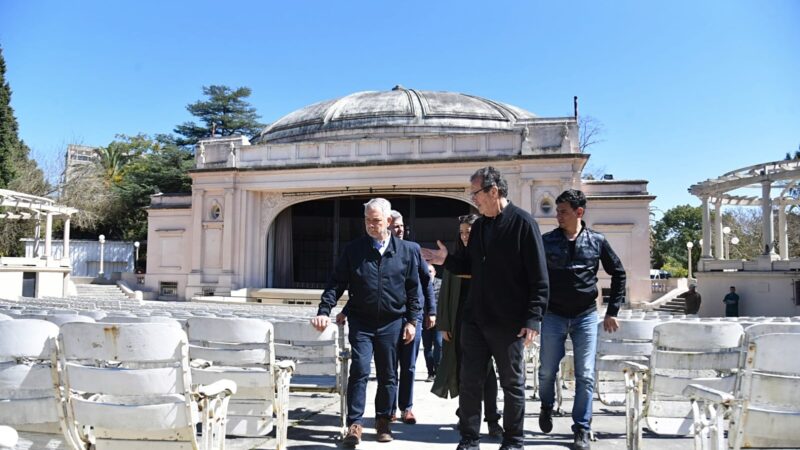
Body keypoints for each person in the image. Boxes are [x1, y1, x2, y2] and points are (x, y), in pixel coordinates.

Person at [422, 166, 549, 450]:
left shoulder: (524, 224)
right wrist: (447, 261)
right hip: (474, 320)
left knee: (512, 384)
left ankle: (513, 440)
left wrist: (533, 318)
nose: (473, 199)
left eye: (476, 193)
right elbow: (467, 267)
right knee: (470, 381)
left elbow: (539, 277)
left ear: (494, 191)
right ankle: (469, 439)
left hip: (510, 323)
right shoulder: (478, 227)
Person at [311, 198, 420, 447]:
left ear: (389, 222)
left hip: (392, 322)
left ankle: (382, 420)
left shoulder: (406, 252)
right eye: (367, 220)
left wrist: (412, 321)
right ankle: (355, 424)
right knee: (359, 370)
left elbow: (413, 290)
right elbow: (336, 283)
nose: (371, 225)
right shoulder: (354, 250)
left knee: (388, 374)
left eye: (376, 221)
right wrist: (324, 310)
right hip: (362, 322)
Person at [538, 189, 626, 450]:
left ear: (579, 212)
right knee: (545, 372)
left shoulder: (597, 241)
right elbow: (531, 274)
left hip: (585, 316)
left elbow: (619, 273)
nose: (558, 216)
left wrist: (612, 311)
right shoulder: (547, 241)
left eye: (563, 211)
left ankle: (582, 429)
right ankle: (546, 404)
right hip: (553, 314)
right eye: (557, 210)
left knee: (585, 374)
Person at [431, 213, 503, 440]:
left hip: (487, 322)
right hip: (461, 322)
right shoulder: (456, 257)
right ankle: (466, 416)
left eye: (468, 232)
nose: (464, 236)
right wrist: (444, 324)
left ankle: (492, 420)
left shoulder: (488, 256)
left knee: (488, 373)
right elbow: (445, 294)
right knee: (464, 372)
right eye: (461, 232)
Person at [387, 210, 436, 424]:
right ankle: (389, 409)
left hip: (413, 317)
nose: (399, 229)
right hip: (388, 318)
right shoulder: (381, 252)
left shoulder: (413, 249)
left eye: (401, 225)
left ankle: (406, 408)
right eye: (395, 225)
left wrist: (431, 311)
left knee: (408, 366)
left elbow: (427, 282)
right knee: (388, 367)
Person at [422, 263, 443, 382]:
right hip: (425, 321)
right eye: (427, 271)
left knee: (439, 345)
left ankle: (439, 371)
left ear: (434, 272)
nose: (429, 273)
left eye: (430, 271)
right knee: (427, 347)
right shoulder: (421, 284)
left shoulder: (441, 283)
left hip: (439, 320)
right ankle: (431, 373)